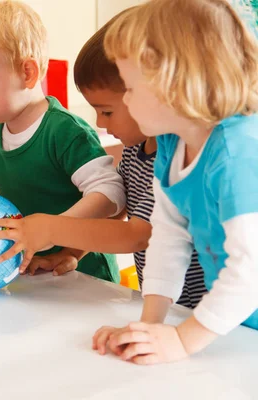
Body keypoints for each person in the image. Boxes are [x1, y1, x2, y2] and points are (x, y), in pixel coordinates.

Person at [0, 8, 207, 309]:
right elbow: (116, 212)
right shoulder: (135, 151)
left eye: (108, 111)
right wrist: (73, 252)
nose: (101, 124)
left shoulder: (177, 156)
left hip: (205, 313)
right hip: (168, 309)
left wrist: (51, 228)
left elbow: (138, 235)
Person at [92, 0, 258, 365]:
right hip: (236, 325)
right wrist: (147, 327)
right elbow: (168, 238)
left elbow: (251, 272)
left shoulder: (236, 155)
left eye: (131, 87)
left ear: (174, 86)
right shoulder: (171, 144)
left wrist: (182, 341)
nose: (126, 99)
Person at [0, 0, 126, 283]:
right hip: (28, 270)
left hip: (83, 272)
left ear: (27, 73)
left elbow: (111, 194)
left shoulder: (64, 131)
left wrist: (54, 230)